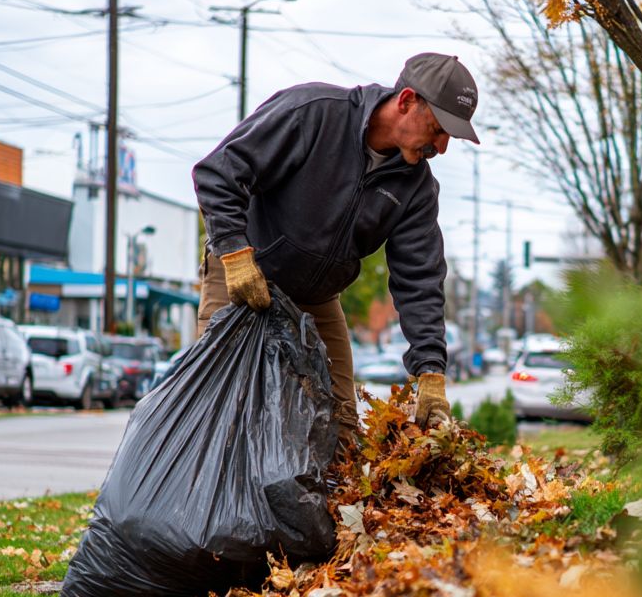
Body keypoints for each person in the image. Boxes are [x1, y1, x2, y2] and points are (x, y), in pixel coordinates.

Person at [192, 53, 479, 441]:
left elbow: (420, 278)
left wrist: (429, 369)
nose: (441, 147)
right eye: (439, 128)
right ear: (407, 101)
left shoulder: (416, 188)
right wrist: (235, 253)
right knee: (219, 410)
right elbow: (218, 174)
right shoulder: (314, 114)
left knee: (339, 423)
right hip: (242, 276)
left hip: (317, 298)